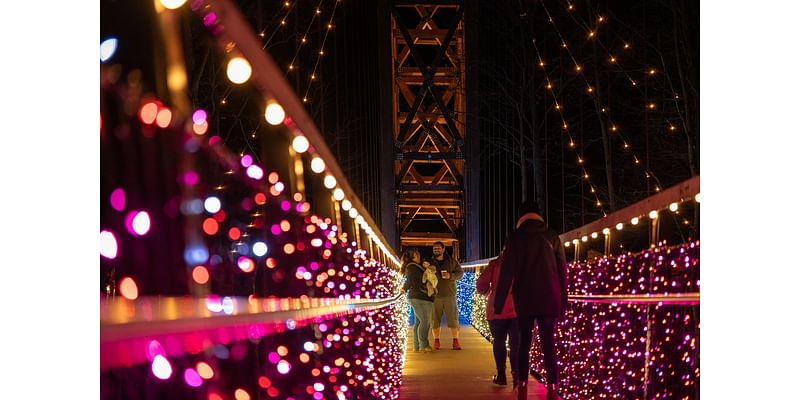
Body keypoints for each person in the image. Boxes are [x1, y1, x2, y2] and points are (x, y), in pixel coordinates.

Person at [494, 200, 568, 399]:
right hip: (550, 298)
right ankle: (553, 387)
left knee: (523, 342)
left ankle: (523, 385)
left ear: (521, 216)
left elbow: (507, 271)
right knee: (548, 343)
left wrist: (498, 304)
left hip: (525, 297)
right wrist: (564, 304)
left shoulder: (515, 237)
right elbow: (563, 272)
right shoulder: (552, 236)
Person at [476, 249, 519, 387]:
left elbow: (480, 284)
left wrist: (489, 292)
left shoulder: (495, 264)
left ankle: (501, 375)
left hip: (496, 309)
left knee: (499, 341)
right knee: (516, 344)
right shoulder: (523, 263)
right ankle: (517, 375)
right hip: (518, 309)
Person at [430, 241, 464, 350]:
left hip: (449, 294)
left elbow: (460, 274)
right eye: (435, 249)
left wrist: (451, 275)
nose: (436, 250)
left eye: (438, 248)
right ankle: (436, 341)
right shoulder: (429, 262)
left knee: (453, 319)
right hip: (434, 295)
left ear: (443, 249)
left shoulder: (452, 261)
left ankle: (456, 341)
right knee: (435, 319)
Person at [401, 247, 435, 353]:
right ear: (412, 256)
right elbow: (410, 280)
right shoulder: (412, 267)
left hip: (418, 297)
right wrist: (404, 288)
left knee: (419, 322)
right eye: (417, 254)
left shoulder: (414, 267)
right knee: (425, 321)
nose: (419, 256)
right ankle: (424, 345)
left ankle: (417, 346)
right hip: (420, 297)